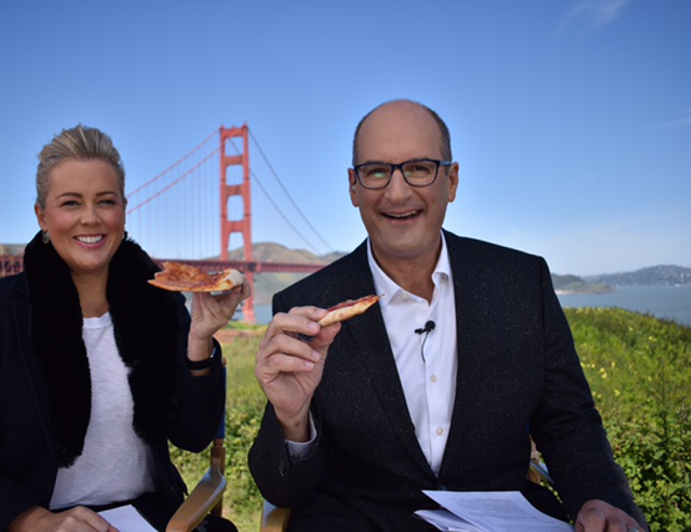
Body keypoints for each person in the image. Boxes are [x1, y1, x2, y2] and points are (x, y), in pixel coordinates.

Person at [249, 100, 647, 532]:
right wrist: (292, 419)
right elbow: (284, 494)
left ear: (452, 180)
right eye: (377, 171)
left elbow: (568, 420)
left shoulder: (521, 282)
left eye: (419, 168)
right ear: (353, 187)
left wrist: (599, 500)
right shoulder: (306, 304)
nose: (397, 193)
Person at [0, 125, 247, 532]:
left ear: (124, 210)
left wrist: (200, 339)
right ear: (42, 215)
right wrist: (38, 522)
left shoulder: (163, 302)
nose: (91, 218)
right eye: (71, 203)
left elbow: (194, 436)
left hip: (145, 516)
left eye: (105, 201)